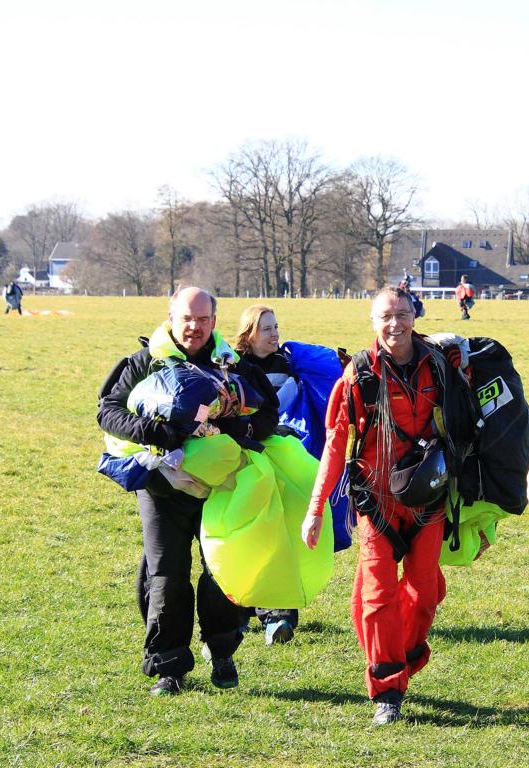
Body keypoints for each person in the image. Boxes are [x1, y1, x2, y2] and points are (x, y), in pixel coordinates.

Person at [97, 286, 279, 696]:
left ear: (214, 321)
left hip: (222, 488)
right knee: (167, 575)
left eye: (202, 319)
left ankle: (222, 650)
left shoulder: (235, 366)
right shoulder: (144, 362)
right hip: (162, 487)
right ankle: (169, 665)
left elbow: (269, 412)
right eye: (186, 318)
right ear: (171, 318)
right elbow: (108, 411)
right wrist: (156, 431)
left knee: (222, 569)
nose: (194, 327)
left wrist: (239, 426)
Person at [301, 286, 464, 725]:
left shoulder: (438, 366)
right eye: (386, 316)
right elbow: (335, 444)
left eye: (403, 314)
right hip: (376, 503)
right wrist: (316, 508)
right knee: (377, 597)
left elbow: (466, 428)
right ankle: (387, 690)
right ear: (373, 322)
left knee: (425, 594)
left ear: (415, 316)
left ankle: (401, 657)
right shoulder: (358, 376)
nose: (395, 324)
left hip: (428, 500)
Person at [232, 303, 303, 646]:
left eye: (276, 327)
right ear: (249, 334)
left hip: (279, 455)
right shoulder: (230, 366)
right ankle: (238, 611)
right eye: (267, 329)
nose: (275, 334)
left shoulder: (287, 365)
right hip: (240, 457)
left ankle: (279, 615)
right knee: (245, 532)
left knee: (278, 530)